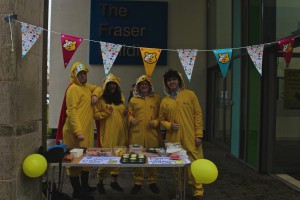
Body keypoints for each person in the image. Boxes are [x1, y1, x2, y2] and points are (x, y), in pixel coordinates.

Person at [159, 69, 205, 200]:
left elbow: (198, 115)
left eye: (174, 79)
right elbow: (161, 120)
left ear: (179, 80)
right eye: (169, 80)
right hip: (173, 139)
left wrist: (199, 134)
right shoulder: (165, 101)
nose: (172, 82)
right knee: (176, 166)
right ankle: (179, 191)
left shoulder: (190, 95)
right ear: (166, 83)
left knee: (195, 164)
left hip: (190, 137)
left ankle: (198, 192)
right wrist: (169, 126)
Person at [61, 62, 102, 200]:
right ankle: (77, 192)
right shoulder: (73, 89)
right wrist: (78, 131)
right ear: (74, 75)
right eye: (80, 73)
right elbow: (71, 111)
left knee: (86, 159)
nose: (83, 75)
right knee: (74, 162)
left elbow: (98, 88)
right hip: (75, 133)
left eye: (84, 73)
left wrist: (95, 94)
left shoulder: (86, 88)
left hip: (87, 131)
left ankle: (84, 186)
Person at [93, 73, 128, 194]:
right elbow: (95, 115)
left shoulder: (120, 99)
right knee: (107, 158)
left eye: (114, 84)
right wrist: (105, 113)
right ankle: (100, 182)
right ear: (106, 86)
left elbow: (122, 113)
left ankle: (114, 181)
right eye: (110, 84)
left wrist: (126, 113)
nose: (112, 86)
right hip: (108, 134)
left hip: (121, 133)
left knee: (118, 157)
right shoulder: (101, 99)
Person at [128, 75, 162, 194]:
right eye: (141, 84)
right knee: (136, 158)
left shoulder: (156, 98)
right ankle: (138, 182)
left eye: (146, 84)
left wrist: (156, 122)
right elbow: (129, 114)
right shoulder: (133, 100)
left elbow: (161, 116)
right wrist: (130, 119)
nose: (143, 86)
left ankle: (152, 182)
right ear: (138, 86)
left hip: (152, 134)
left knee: (153, 158)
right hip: (136, 134)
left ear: (149, 86)